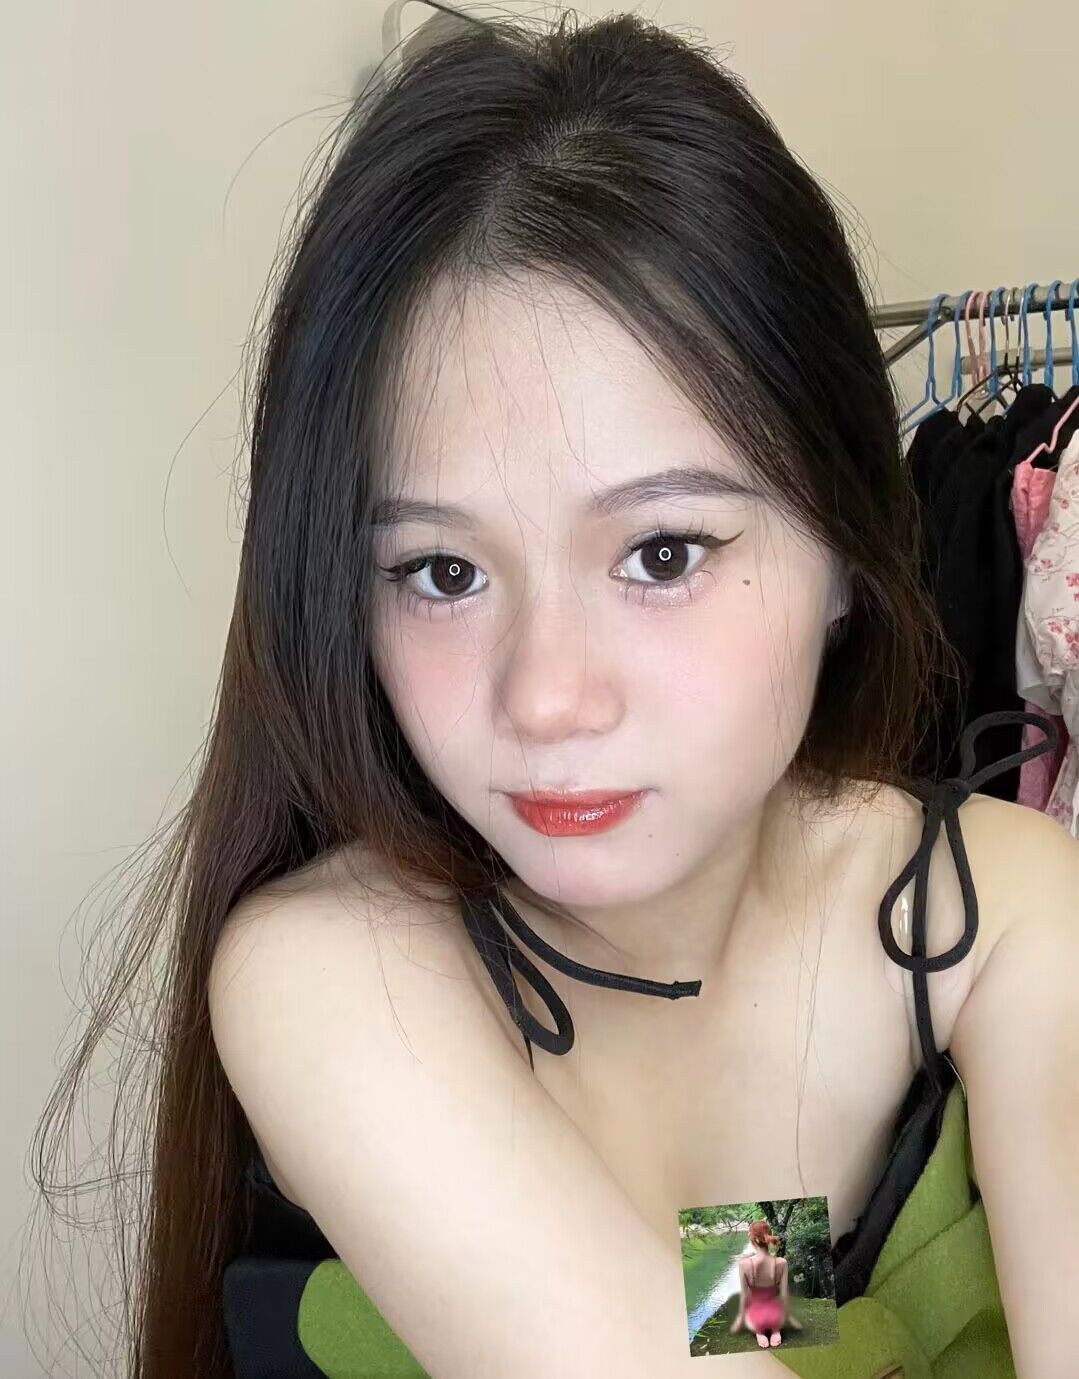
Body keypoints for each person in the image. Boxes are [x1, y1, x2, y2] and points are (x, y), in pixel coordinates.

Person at [28, 9, 1078, 1379]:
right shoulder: (337, 974)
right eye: (442, 571)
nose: (543, 698)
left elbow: (739, 1297)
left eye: (661, 553)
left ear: (843, 548)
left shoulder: (992, 907)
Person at [728, 1221, 803, 1349]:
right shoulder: (782, 1262)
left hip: (756, 1318)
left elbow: (744, 1296)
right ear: (768, 1236)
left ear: (753, 1240)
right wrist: (790, 1318)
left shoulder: (744, 1264)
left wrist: (740, 1319)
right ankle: (775, 1330)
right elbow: (784, 1294)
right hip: (777, 1317)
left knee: (751, 1316)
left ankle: (759, 1332)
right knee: (777, 1312)